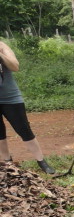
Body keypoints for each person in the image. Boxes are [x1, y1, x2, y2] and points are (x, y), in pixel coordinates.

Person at [0, 41, 55, 174]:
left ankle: (41, 161)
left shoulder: (2, 46)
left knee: (24, 129)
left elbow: (15, 66)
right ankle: (8, 162)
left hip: (10, 98)